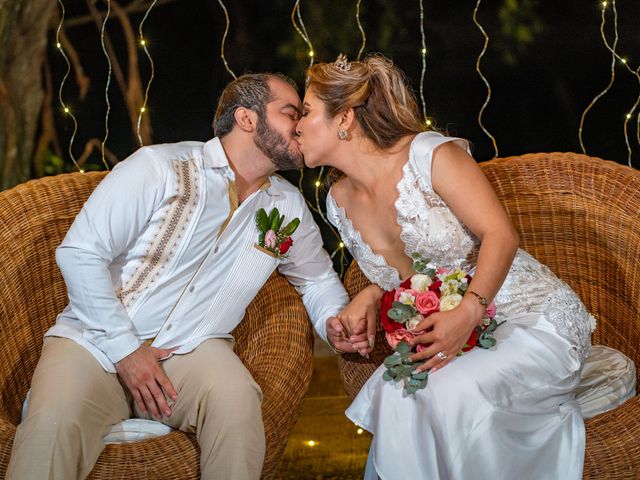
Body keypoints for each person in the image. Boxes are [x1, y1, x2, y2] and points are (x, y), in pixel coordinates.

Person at [7, 73, 351, 480]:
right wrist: (126, 350)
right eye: (290, 112)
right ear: (246, 118)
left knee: (237, 401)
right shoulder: (159, 167)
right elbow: (80, 253)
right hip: (96, 343)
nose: (300, 125)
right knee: (52, 426)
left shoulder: (287, 207)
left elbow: (315, 280)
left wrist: (336, 322)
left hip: (194, 352)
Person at [295, 54, 595, 479]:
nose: (297, 126)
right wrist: (372, 292)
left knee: (444, 395)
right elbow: (416, 274)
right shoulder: (337, 201)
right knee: (400, 392)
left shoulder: (428, 154)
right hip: (457, 334)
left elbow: (500, 236)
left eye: (306, 113)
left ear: (344, 118)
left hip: (530, 319)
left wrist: (469, 311)